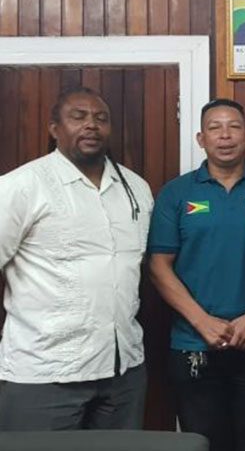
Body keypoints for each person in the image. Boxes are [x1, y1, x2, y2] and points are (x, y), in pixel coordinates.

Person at [0, 86, 153, 430]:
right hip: (44, 372)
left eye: (101, 118)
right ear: (54, 129)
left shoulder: (136, 189)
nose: (91, 126)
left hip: (123, 372)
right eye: (78, 117)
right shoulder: (22, 186)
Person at [148, 99, 245, 451]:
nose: (225, 135)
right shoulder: (177, 193)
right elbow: (159, 266)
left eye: (233, 126)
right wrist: (202, 322)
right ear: (201, 139)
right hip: (193, 343)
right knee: (202, 442)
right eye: (215, 127)